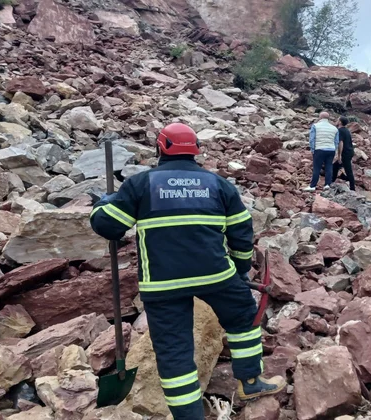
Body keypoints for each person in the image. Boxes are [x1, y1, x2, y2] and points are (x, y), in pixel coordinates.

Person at [90, 123, 286, 419]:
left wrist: (103, 205)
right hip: (216, 276)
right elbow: (242, 231)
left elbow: (109, 227)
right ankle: (250, 381)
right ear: (196, 150)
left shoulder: (142, 184)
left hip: (162, 285)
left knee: (173, 350)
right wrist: (241, 270)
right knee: (243, 317)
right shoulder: (218, 184)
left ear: (160, 148)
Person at [305, 111, 339, 192]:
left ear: (320, 117)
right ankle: (327, 184)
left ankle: (313, 186)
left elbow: (312, 139)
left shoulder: (315, 126)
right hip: (331, 150)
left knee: (317, 168)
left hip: (319, 149)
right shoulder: (334, 128)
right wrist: (334, 149)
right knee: (329, 167)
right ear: (328, 118)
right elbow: (336, 141)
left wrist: (312, 149)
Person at [332, 116, 355, 191]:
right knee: (335, 166)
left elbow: (340, 143)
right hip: (350, 151)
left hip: (345, 153)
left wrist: (339, 156)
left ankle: (352, 188)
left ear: (340, 122)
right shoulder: (346, 130)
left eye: (337, 120)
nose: (336, 121)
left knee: (348, 170)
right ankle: (331, 181)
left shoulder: (340, 131)